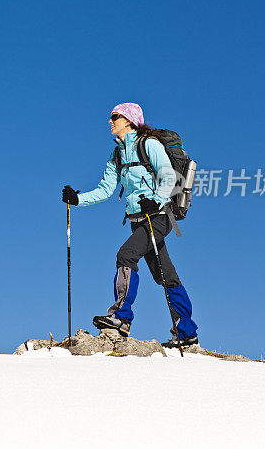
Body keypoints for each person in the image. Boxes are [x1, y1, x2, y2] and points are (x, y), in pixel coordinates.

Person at [62, 102, 199, 348]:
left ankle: (121, 317)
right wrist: (77, 199)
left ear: (128, 120)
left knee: (126, 256)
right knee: (165, 275)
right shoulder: (116, 154)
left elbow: (168, 175)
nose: (110, 121)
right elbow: (106, 190)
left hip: (158, 216)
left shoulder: (149, 144)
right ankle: (186, 332)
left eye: (114, 116)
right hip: (137, 220)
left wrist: (155, 200)